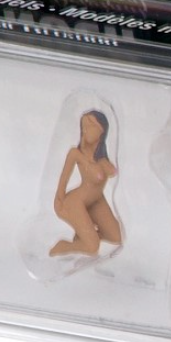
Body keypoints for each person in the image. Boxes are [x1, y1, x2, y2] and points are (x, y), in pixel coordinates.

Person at [50, 110, 121, 257]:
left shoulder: (102, 158)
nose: (85, 130)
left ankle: (83, 236)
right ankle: (63, 246)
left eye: (90, 126)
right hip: (75, 203)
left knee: (115, 237)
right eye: (83, 126)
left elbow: (111, 170)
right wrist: (59, 200)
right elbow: (63, 179)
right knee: (92, 247)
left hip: (96, 201)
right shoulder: (76, 154)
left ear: (102, 130)